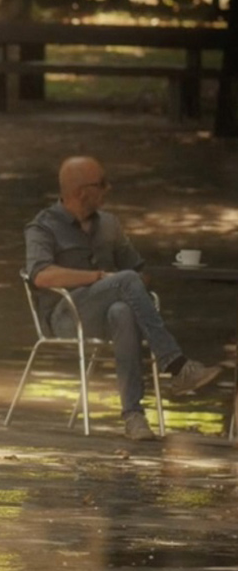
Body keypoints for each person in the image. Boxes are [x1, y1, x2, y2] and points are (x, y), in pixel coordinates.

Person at [24, 156, 220, 441]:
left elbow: (139, 272)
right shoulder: (42, 227)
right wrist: (99, 278)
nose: (108, 188)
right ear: (81, 192)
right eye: (101, 184)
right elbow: (41, 276)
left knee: (123, 312)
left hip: (108, 312)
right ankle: (176, 366)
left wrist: (128, 284)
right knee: (124, 280)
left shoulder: (110, 225)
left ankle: (134, 416)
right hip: (66, 317)